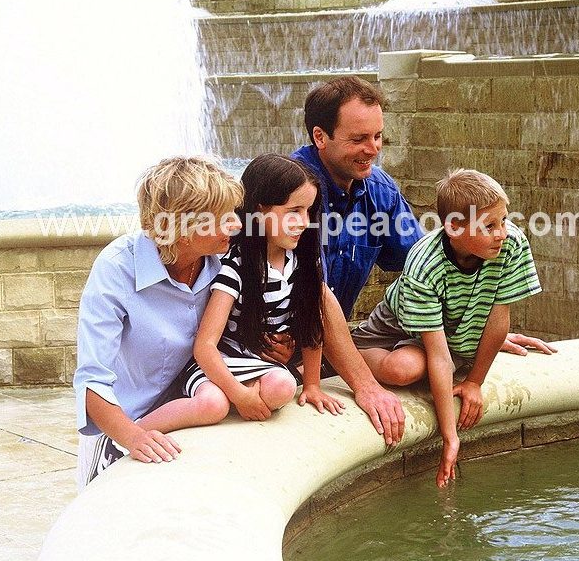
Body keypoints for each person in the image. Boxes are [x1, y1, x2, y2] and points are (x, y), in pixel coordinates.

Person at [287, 75, 556, 357]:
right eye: (358, 139)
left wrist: (478, 335)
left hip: (329, 347)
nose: (373, 149)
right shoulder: (285, 191)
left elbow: (430, 264)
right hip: (271, 351)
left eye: (377, 136)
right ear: (320, 136)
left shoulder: (381, 191)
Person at [351, 169, 543, 486]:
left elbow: (498, 318)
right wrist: (450, 435)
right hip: (393, 330)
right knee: (404, 369)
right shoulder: (425, 261)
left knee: (425, 361)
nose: (502, 233)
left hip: (442, 329)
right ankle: (351, 351)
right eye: (489, 226)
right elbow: (440, 357)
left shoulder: (510, 246)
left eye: (504, 221)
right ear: (453, 226)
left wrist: (474, 382)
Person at [73, 156, 244, 489]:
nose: (237, 225)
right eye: (224, 218)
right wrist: (132, 437)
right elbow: (92, 381)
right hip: (123, 427)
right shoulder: (116, 268)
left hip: (197, 404)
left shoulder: (225, 257)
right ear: (182, 228)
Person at [148, 154, 345, 427]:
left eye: (309, 211)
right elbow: (205, 346)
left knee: (282, 388)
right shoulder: (236, 266)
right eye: (294, 211)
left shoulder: (302, 263)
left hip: (258, 367)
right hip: (218, 364)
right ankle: (129, 436)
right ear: (261, 210)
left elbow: (312, 323)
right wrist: (240, 395)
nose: (304, 221)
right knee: (212, 404)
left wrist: (312, 385)